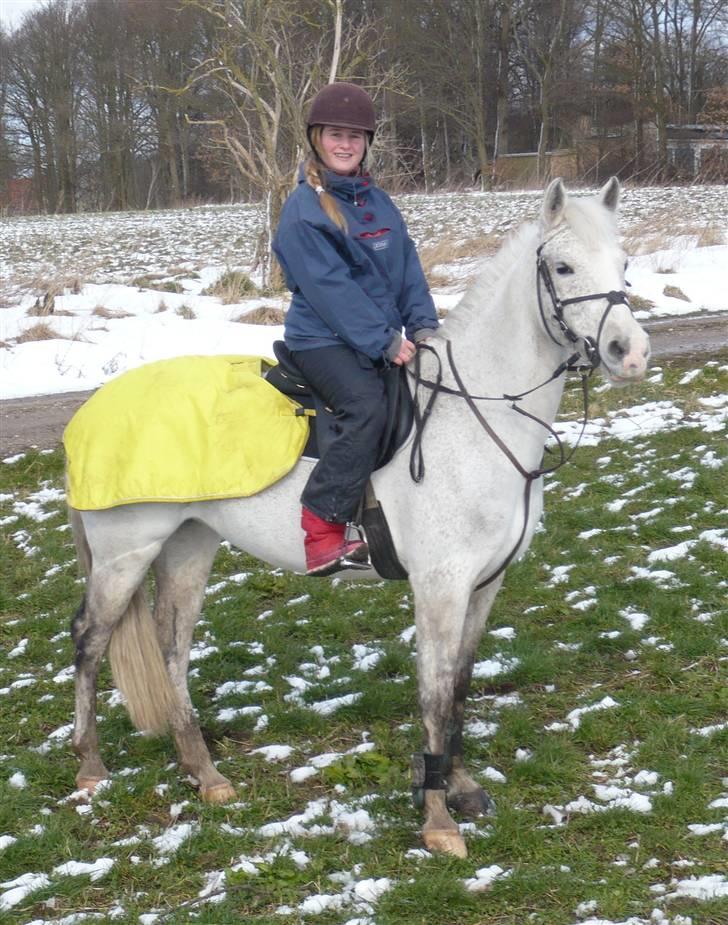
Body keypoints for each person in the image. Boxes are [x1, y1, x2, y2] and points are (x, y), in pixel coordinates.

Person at [272, 82, 439, 577]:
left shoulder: (379, 203)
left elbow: (407, 270)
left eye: (354, 136)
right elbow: (332, 291)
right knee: (365, 406)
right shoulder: (302, 211)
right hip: (322, 341)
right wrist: (385, 342)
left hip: (375, 337)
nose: (345, 144)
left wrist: (425, 328)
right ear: (316, 140)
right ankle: (322, 528)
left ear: (366, 143)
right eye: (334, 135)